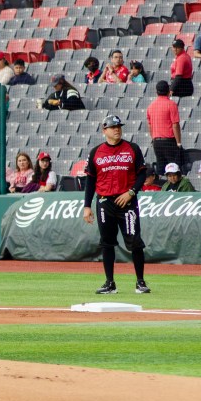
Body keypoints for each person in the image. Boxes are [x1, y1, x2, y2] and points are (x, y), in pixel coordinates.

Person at [82, 114, 151, 295]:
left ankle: (140, 282)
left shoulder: (132, 148)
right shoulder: (95, 152)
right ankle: (110, 283)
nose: (117, 130)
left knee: (135, 242)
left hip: (127, 201)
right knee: (107, 243)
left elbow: (142, 175)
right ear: (104, 130)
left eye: (119, 126)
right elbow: (90, 180)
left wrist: (131, 192)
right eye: (113, 127)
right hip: (105, 202)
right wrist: (87, 206)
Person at [146, 81, 183, 175]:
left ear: (156, 92)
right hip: (169, 141)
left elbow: (150, 125)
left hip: (156, 142)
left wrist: (154, 139)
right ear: (168, 91)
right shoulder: (171, 104)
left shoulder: (151, 106)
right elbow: (175, 124)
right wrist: (178, 142)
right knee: (174, 168)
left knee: (160, 168)